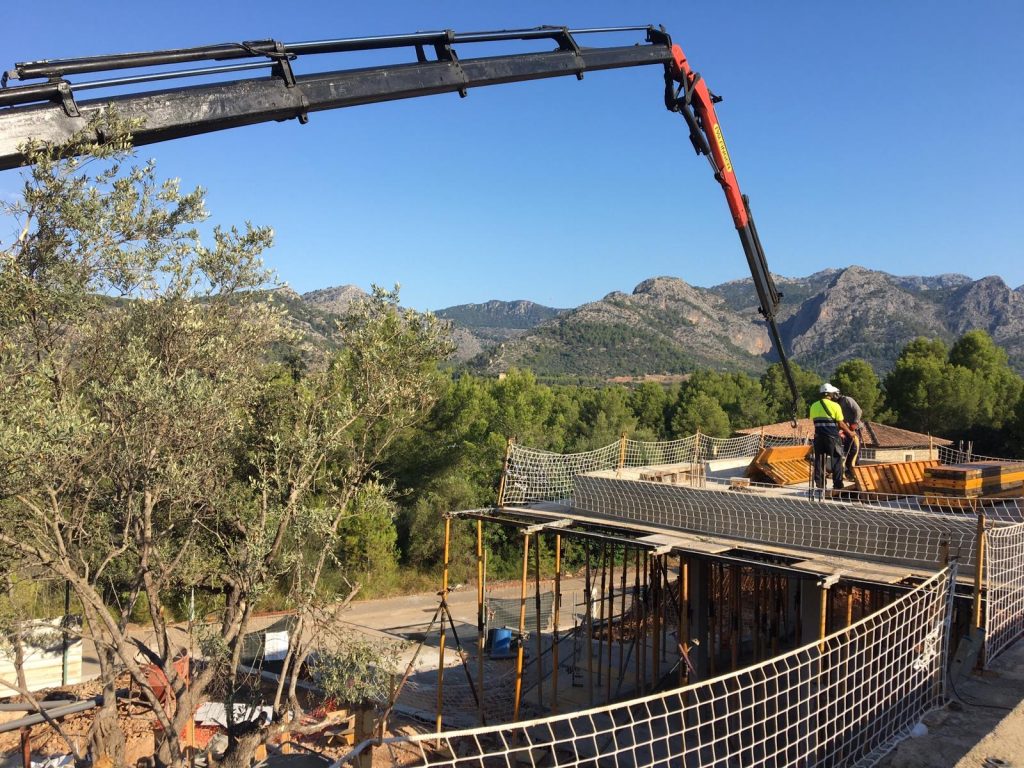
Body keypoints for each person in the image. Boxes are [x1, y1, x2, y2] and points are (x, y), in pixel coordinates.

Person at [809, 383, 855, 490]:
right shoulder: (835, 406)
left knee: (819, 461)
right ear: (830, 394)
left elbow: (815, 421)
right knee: (837, 461)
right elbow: (841, 424)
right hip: (832, 438)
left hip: (819, 437)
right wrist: (850, 433)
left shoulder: (814, 405)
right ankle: (838, 485)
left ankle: (820, 485)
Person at [836, 392, 863, 481]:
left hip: (855, 428)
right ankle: (849, 471)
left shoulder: (847, 400)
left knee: (855, 450)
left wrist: (855, 423)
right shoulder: (836, 404)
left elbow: (858, 411)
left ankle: (854, 472)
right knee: (848, 450)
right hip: (846, 429)